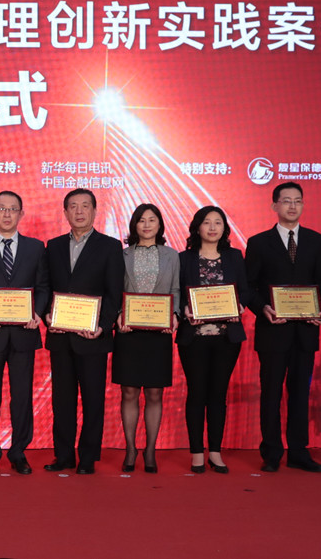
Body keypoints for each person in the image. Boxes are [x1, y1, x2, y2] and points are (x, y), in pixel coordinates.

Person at [244, 182, 321, 473]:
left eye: (298, 201)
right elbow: (249, 286)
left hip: (305, 330)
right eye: (286, 201)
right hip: (273, 330)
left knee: (300, 392)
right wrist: (263, 308)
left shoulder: (316, 240)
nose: (293, 206)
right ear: (274, 206)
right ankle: (271, 452)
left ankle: (299, 452)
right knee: (271, 393)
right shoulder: (258, 242)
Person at [43, 188, 125, 475]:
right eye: (73, 206)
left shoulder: (110, 246)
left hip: (93, 338)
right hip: (61, 336)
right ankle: (63, 455)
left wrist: (102, 326)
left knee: (93, 400)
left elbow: (114, 293)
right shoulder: (53, 246)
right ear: (65, 212)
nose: (79, 211)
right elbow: (46, 287)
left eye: (85, 206)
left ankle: (88, 458)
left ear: (94, 211)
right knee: (62, 401)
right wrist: (47, 314)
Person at [0, 190, 49, 475]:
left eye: (12, 209)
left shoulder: (36, 248)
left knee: (22, 396)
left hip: (23, 334)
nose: (7, 214)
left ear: (21, 214)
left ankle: (18, 452)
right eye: (1, 209)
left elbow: (43, 287)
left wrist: (37, 314)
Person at [177, 206, 248, 475]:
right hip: (194, 337)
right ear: (197, 227)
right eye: (207, 222)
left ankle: (215, 452)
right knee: (196, 393)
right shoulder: (184, 258)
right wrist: (184, 309)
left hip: (226, 337)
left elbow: (246, 290)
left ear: (224, 228)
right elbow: (177, 292)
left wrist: (240, 306)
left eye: (218, 222)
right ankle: (197, 452)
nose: (212, 227)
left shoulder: (234, 257)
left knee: (218, 394)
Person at [114, 203, 178, 474]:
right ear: (134, 225)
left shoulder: (172, 255)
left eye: (152, 220)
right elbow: (115, 290)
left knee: (154, 392)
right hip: (129, 332)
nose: (147, 225)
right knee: (128, 391)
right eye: (142, 220)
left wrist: (174, 315)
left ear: (160, 224)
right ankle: (130, 448)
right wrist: (119, 316)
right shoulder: (122, 255)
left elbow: (176, 289)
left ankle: (150, 449)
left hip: (158, 332)